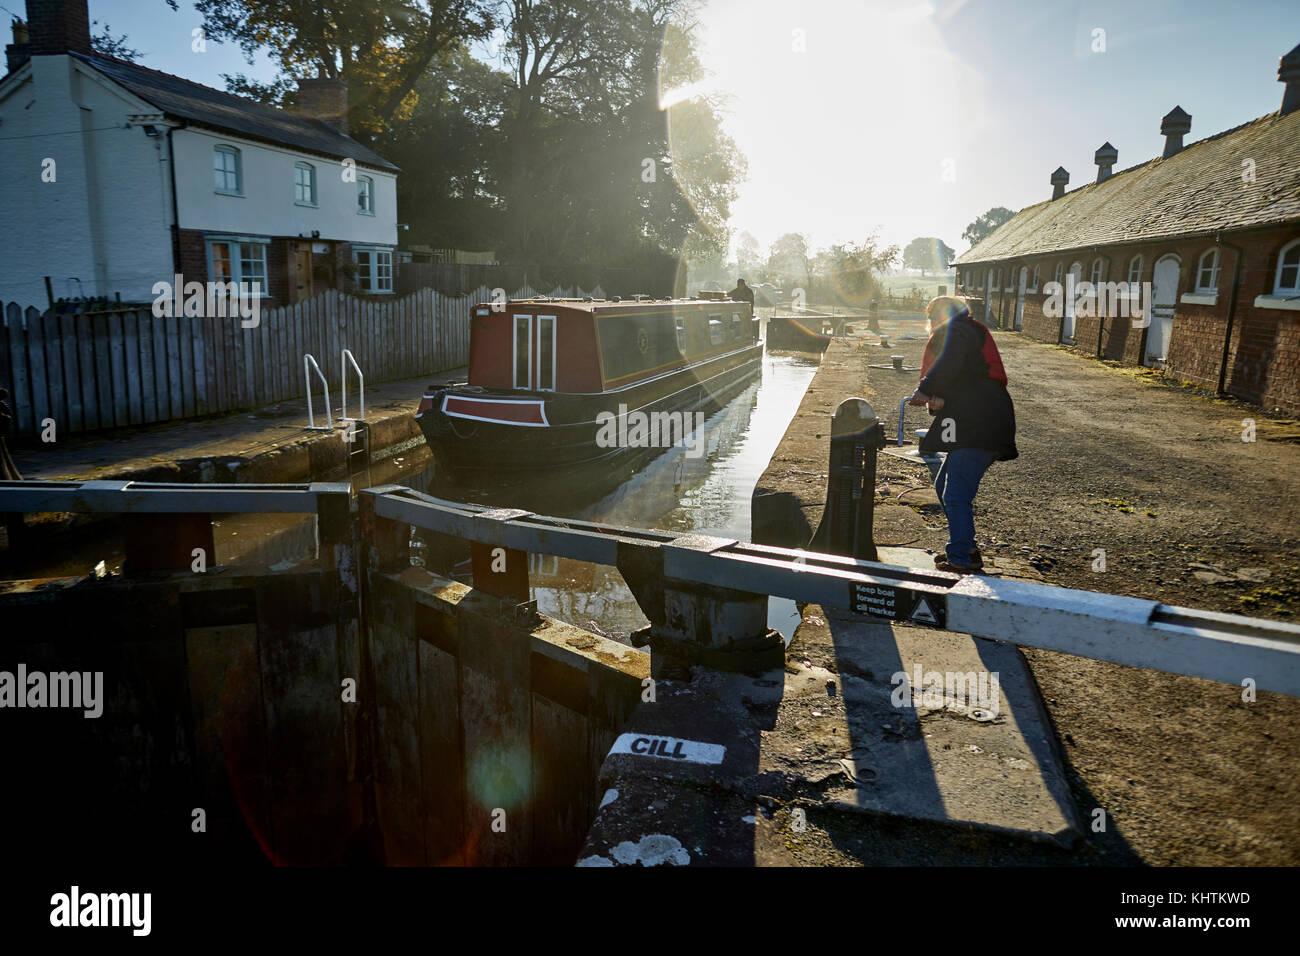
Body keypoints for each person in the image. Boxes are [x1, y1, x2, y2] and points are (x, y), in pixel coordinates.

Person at [906, 296, 1017, 573]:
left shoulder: (956, 332)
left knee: (956, 492)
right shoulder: (968, 332)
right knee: (944, 483)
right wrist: (940, 395)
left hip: (980, 424)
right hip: (980, 420)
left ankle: (961, 558)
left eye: (932, 316)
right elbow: (965, 376)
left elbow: (949, 363)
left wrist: (926, 388)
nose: (930, 322)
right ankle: (965, 548)